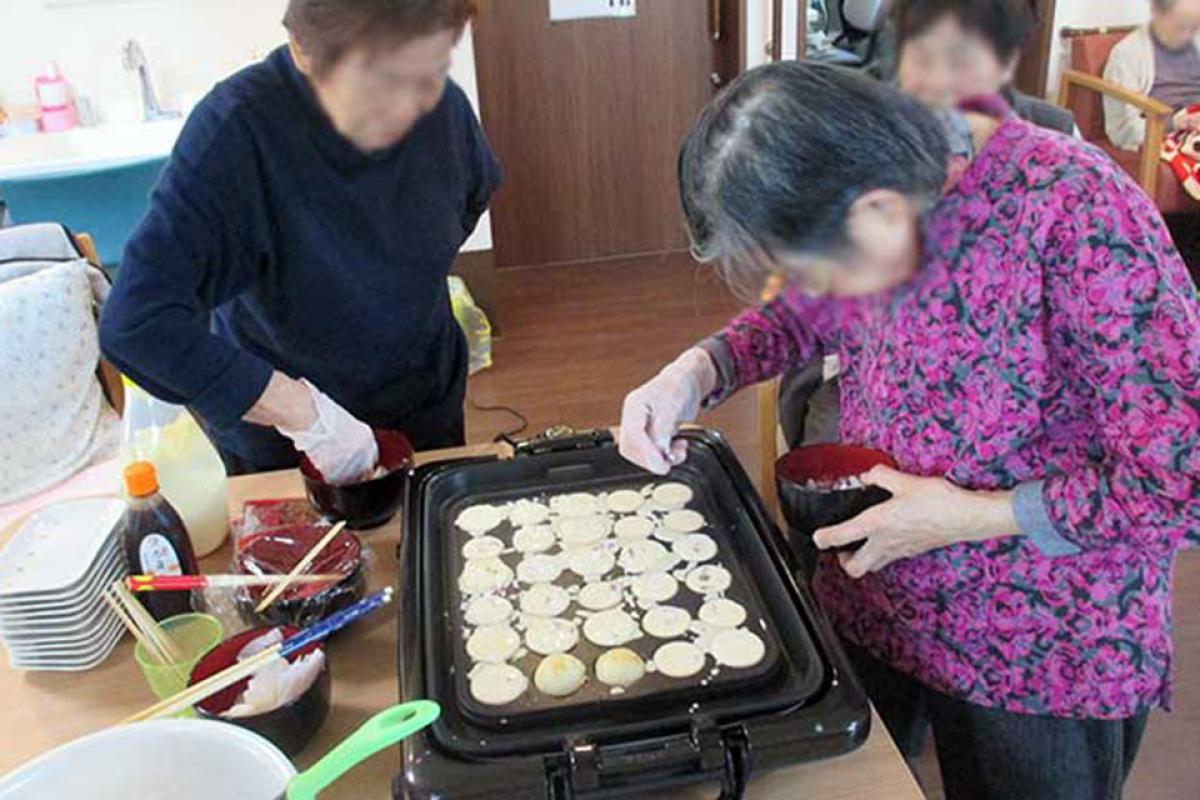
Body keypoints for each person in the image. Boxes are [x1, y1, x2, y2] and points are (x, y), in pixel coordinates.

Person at [620, 62, 1200, 799]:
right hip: (880, 596)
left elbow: (1181, 476)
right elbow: (807, 309)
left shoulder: (1077, 211)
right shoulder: (868, 198)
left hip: (1042, 649)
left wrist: (971, 517)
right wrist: (699, 370)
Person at [100, 0, 500, 481]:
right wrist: (307, 416)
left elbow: (471, 197)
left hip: (426, 407)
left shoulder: (444, 108)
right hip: (288, 445)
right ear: (302, 49)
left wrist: (390, 285)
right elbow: (136, 324)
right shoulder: (235, 131)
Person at [1104, 0, 1200, 150]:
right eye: (1181, 25)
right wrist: (1176, 123)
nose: (1189, 33)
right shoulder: (1127, 55)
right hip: (1174, 135)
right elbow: (1122, 130)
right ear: (1157, 13)